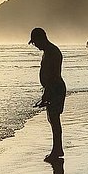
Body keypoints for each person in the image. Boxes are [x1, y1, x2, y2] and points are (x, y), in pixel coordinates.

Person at [29, 27, 66, 162]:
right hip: (52, 88)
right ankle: (57, 149)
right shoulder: (48, 51)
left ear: (41, 39)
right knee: (52, 120)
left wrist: (47, 93)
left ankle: (57, 150)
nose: (35, 45)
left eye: (35, 42)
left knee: (54, 120)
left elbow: (54, 75)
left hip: (55, 88)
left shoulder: (52, 52)